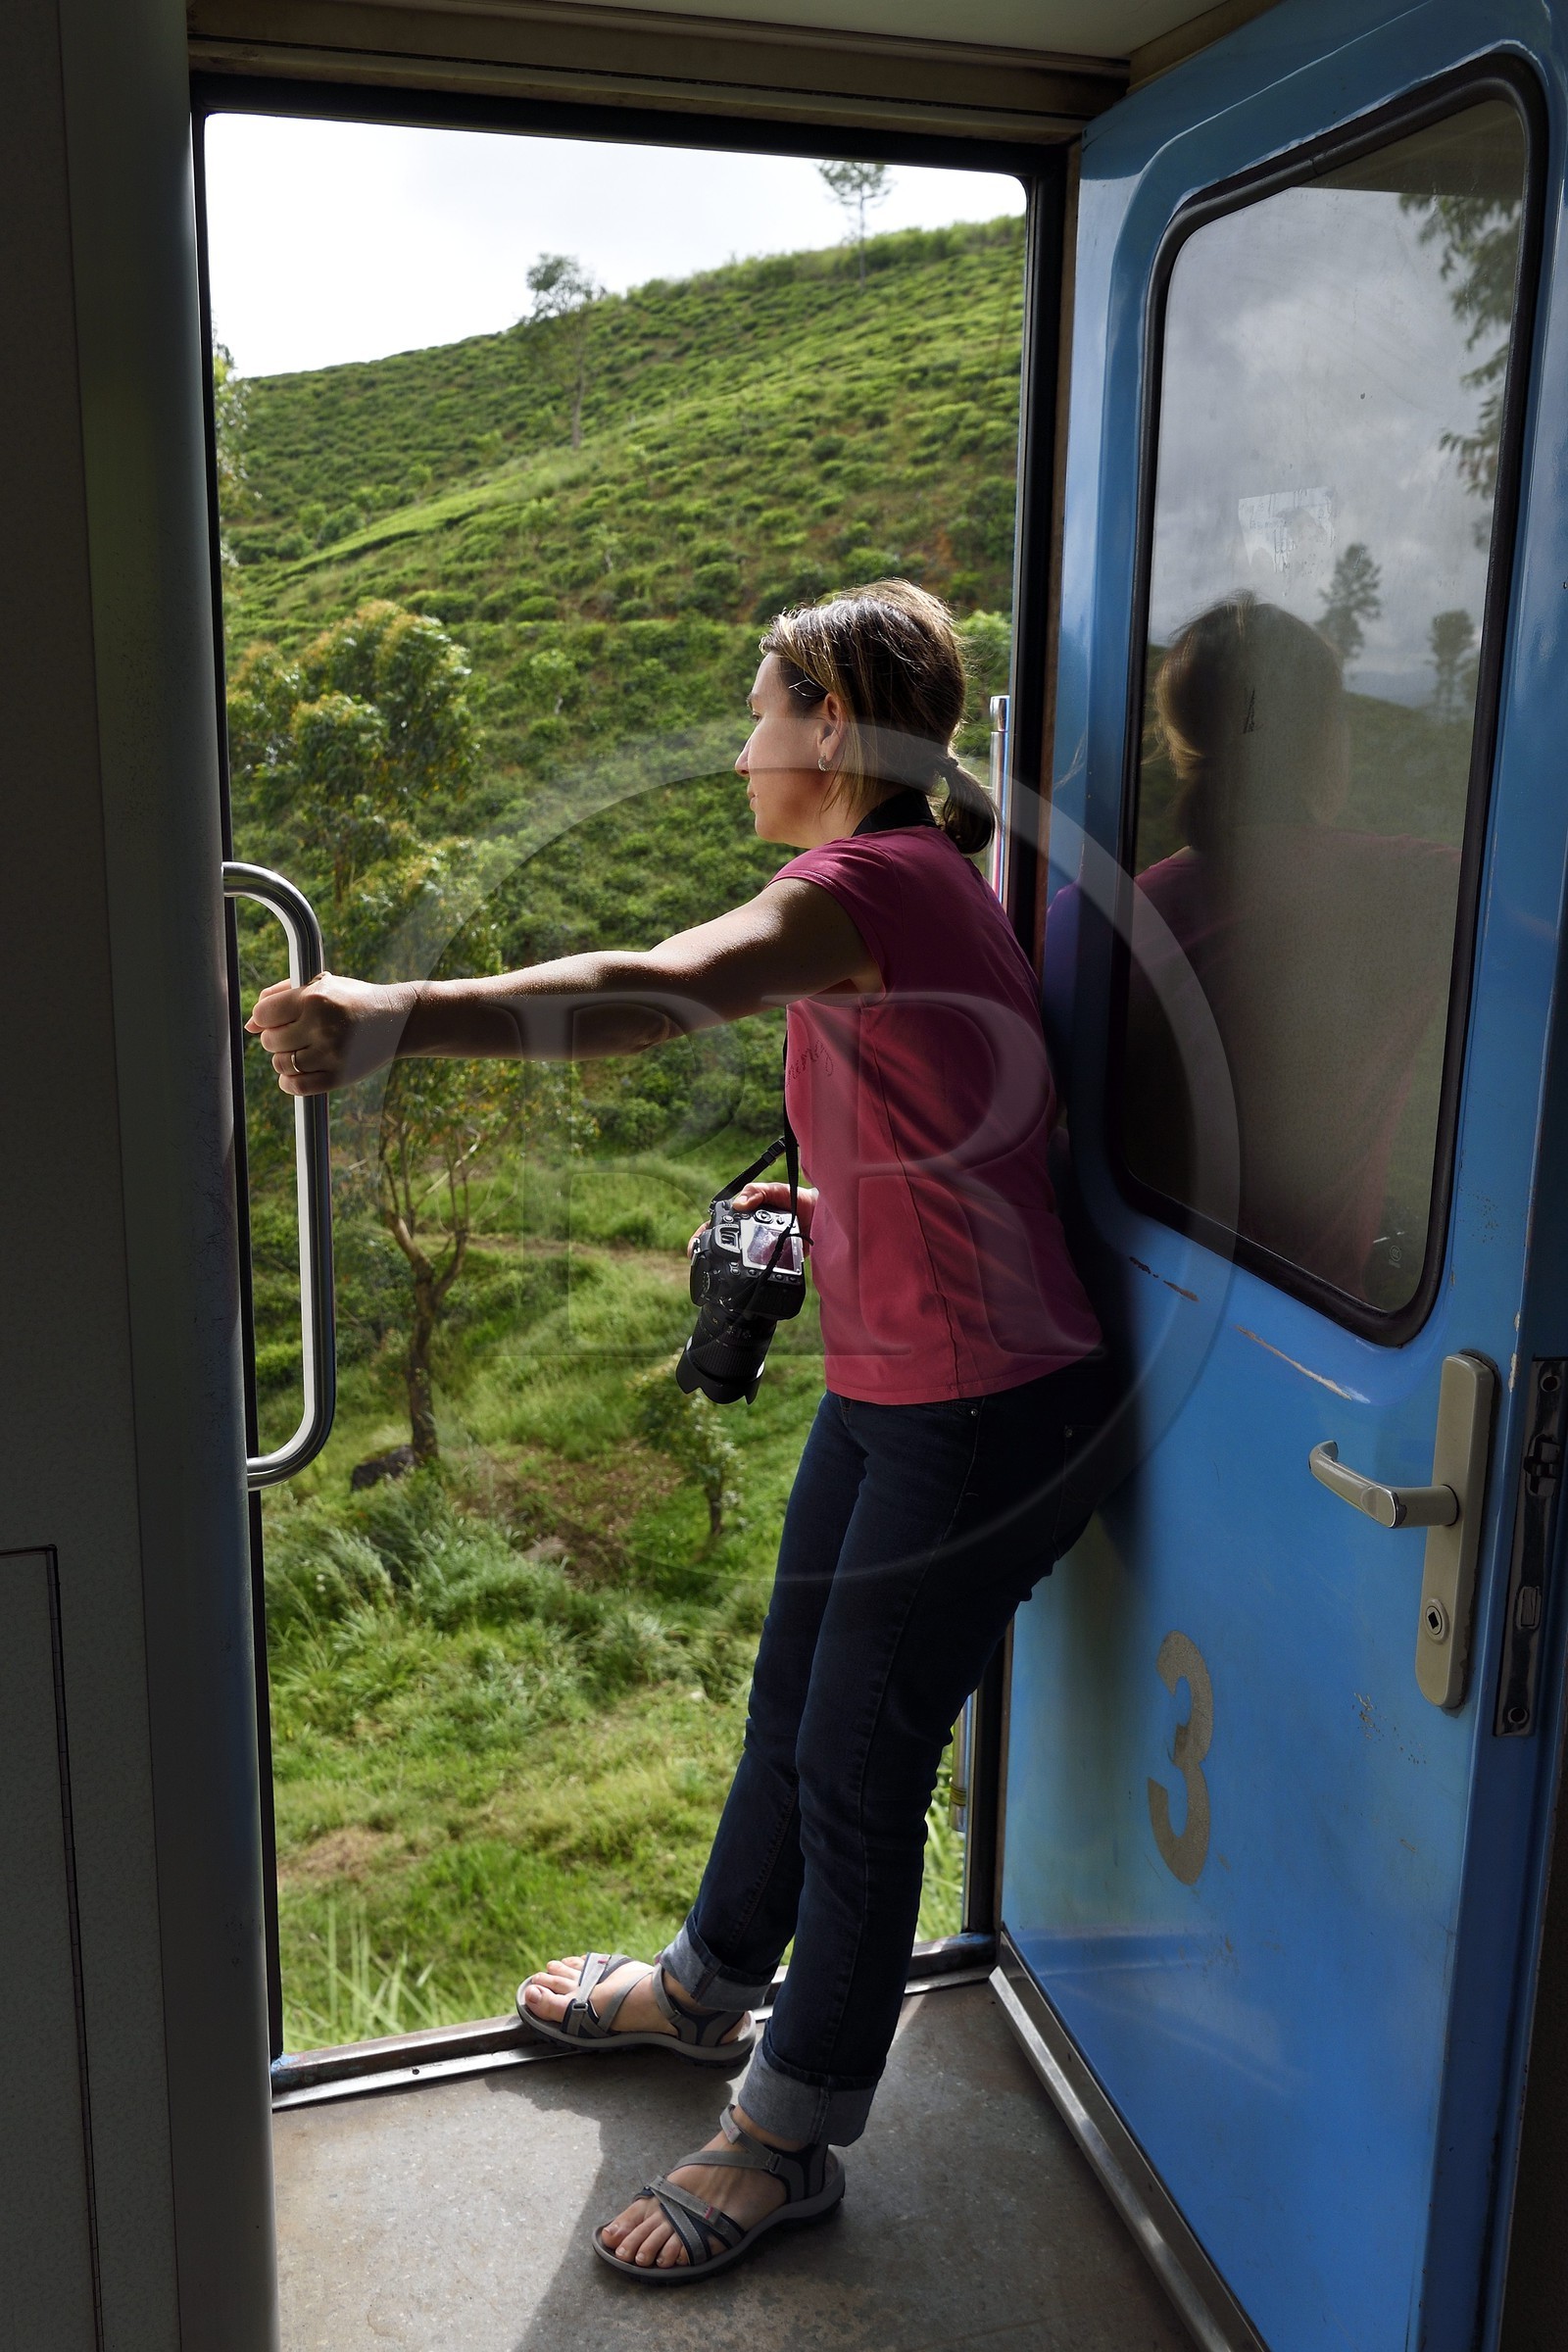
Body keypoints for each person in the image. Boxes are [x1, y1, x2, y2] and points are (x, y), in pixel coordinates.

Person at [249, 579, 1110, 2282]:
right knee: (793, 1700)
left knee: (858, 1763)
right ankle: (711, 1988)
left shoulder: (866, 876)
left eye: (761, 709)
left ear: (833, 728)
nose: (740, 750)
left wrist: (392, 1021)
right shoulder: (919, 884)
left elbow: (657, 988)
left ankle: (790, 2138)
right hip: (904, 1384)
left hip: (984, 1405)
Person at [1121, 596, 1461, 1302]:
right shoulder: (1422, 888)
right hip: (1317, 1329)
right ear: (1324, 738)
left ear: (1180, 742)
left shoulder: (1100, 919)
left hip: (1140, 1328)